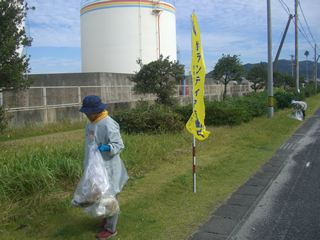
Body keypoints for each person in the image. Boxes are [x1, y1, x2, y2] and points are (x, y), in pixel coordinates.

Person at [79, 95, 129, 240]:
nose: (87, 115)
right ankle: (107, 217)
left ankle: (111, 229)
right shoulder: (90, 123)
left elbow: (119, 145)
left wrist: (107, 148)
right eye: (86, 113)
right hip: (95, 168)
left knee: (109, 197)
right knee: (98, 194)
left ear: (97, 110)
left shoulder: (108, 124)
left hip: (108, 168)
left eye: (89, 112)